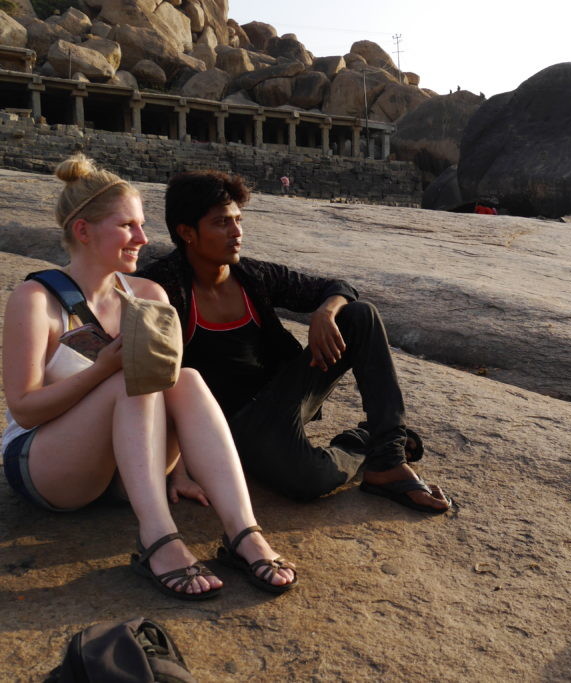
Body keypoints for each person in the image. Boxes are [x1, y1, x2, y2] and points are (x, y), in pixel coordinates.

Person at [1, 156, 296, 599]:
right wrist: (103, 369)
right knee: (128, 378)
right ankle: (157, 538)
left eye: (141, 225)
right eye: (127, 227)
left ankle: (242, 532)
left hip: (127, 473)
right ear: (83, 231)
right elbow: (23, 410)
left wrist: (179, 470)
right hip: (49, 467)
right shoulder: (36, 299)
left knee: (187, 378)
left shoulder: (147, 295)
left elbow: (168, 392)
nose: (143, 238)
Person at [139, 171, 451, 513]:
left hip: (283, 401)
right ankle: (363, 442)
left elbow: (337, 286)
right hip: (231, 428)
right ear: (187, 233)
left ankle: (388, 459)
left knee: (360, 315)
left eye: (238, 220)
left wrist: (325, 312)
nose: (237, 232)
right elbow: (150, 384)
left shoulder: (252, 276)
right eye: (221, 223)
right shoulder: (161, 288)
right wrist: (177, 468)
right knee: (309, 480)